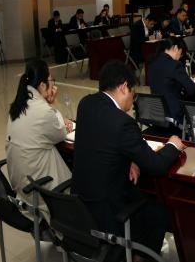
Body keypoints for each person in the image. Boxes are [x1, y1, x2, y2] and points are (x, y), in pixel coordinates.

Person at [73, 62, 185, 258]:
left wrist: (129, 159)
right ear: (124, 87)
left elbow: (103, 142)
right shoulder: (123, 122)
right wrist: (172, 146)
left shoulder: (86, 104)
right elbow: (156, 166)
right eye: (134, 94)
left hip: (80, 207)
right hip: (107, 215)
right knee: (160, 214)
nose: (133, 102)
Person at [6, 60, 73, 209]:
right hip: (39, 189)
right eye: (51, 81)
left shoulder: (19, 104)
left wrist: (48, 105)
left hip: (20, 184)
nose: (53, 85)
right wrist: (52, 102)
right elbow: (60, 132)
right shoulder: (43, 111)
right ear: (42, 85)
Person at [147, 38, 195, 128]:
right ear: (175, 48)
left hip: (157, 115)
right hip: (174, 116)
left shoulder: (152, 63)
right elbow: (192, 89)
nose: (180, 56)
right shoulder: (175, 65)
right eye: (181, 53)